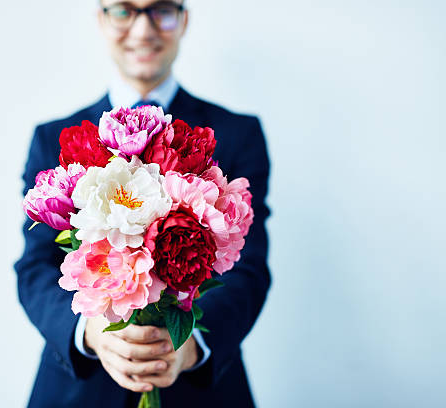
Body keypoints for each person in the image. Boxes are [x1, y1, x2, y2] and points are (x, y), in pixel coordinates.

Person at [14, 1, 272, 406]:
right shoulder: (56, 139)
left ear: (183, 19)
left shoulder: (236, 135)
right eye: (123, 10)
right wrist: (90, 333)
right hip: (78, 391)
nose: (142, 29)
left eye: (161, 10)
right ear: (101, 19)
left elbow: (250, 267)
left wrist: (191, 346)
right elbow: (35, 266)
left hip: (200, 391)